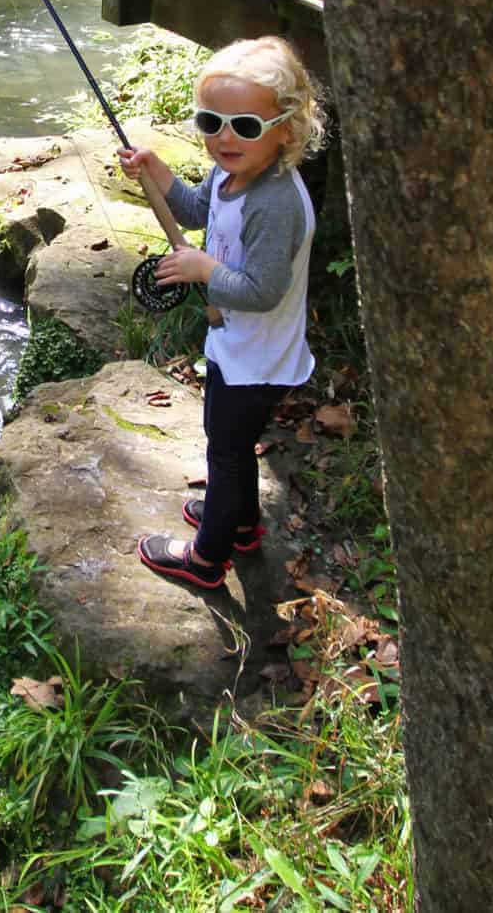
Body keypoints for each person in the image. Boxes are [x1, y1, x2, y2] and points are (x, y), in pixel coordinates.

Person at [117, 35, 325, 590]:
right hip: (238, 347)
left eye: (245, 126)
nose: (224, 137)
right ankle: (242, 525)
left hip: (257, 358)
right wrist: (158, 172)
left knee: (226, 452)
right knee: (231, 448)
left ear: (287, 129)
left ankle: (207, 558)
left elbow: (262, 291)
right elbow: (192, 210)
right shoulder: (233, 174)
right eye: (211, 122)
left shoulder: (276, 203)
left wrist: (205, 272)